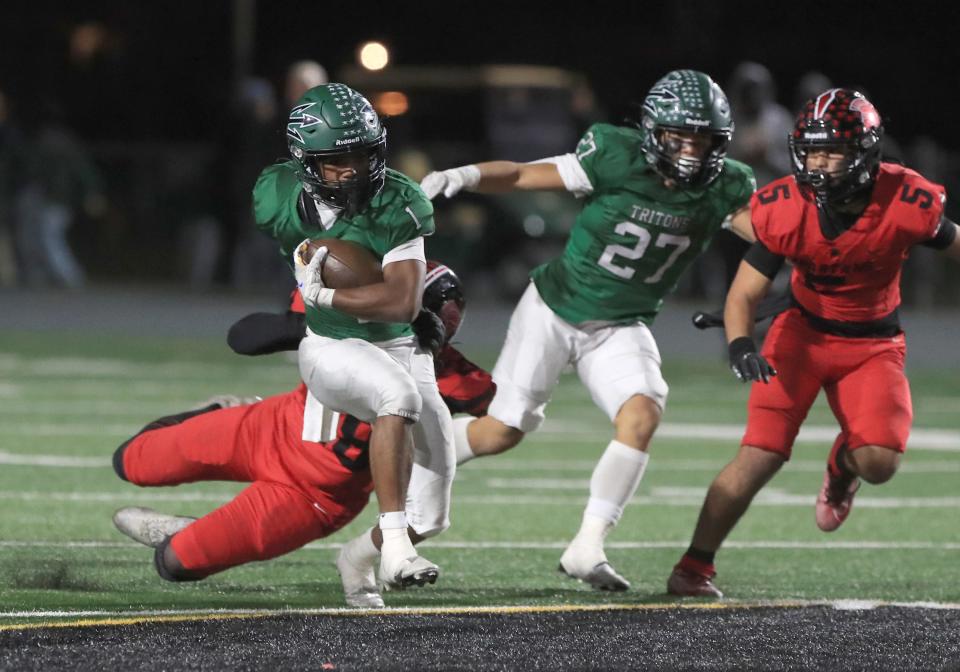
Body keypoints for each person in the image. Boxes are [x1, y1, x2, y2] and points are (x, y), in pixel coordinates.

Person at [420, 70, 757, 590]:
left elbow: (776, 236)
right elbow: (523, 176)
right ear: (653, 132)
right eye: (680, 136)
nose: (691, 150)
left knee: (643, 414)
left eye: (703, 138)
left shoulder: (729, 185)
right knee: (501, 432)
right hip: (554, 308)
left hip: (622, 323)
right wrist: (464, 176)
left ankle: (587, 546)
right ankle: (416, 450)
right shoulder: (615, 155)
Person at [667, 89, 960, 598]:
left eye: (833, 152)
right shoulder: (786, 206)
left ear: (866, 153)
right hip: (799, 336)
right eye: (813, 151)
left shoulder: (905, 200)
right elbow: (744, 294)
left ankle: (841, 467)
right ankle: (694, 566)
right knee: (759, 455)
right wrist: (740, 346)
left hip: (873, 345)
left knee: (879, 464)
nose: (819, 164)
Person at [112, 263, 489, 609]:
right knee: (130, 460)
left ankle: (186, 530)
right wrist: (315, 324)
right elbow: (242, 337)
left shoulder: (448, 376)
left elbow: (493, 412)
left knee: (174, 562)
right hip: (269, 427)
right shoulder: (347, 315)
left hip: (314, 498)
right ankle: (221, 410)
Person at [252, 83, 454, 591]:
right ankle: (396, 554)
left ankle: (358, 558)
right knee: (397, 395)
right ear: (305, 161)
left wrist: (323, 297)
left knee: (430, 512)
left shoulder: (400, 201)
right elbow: (303, 251)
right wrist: (313, 308)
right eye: (337, 160)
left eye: (363, 155)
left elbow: (401, 303)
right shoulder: (276, 195)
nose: (353, 170)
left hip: (397, 341)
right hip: (332, 346)